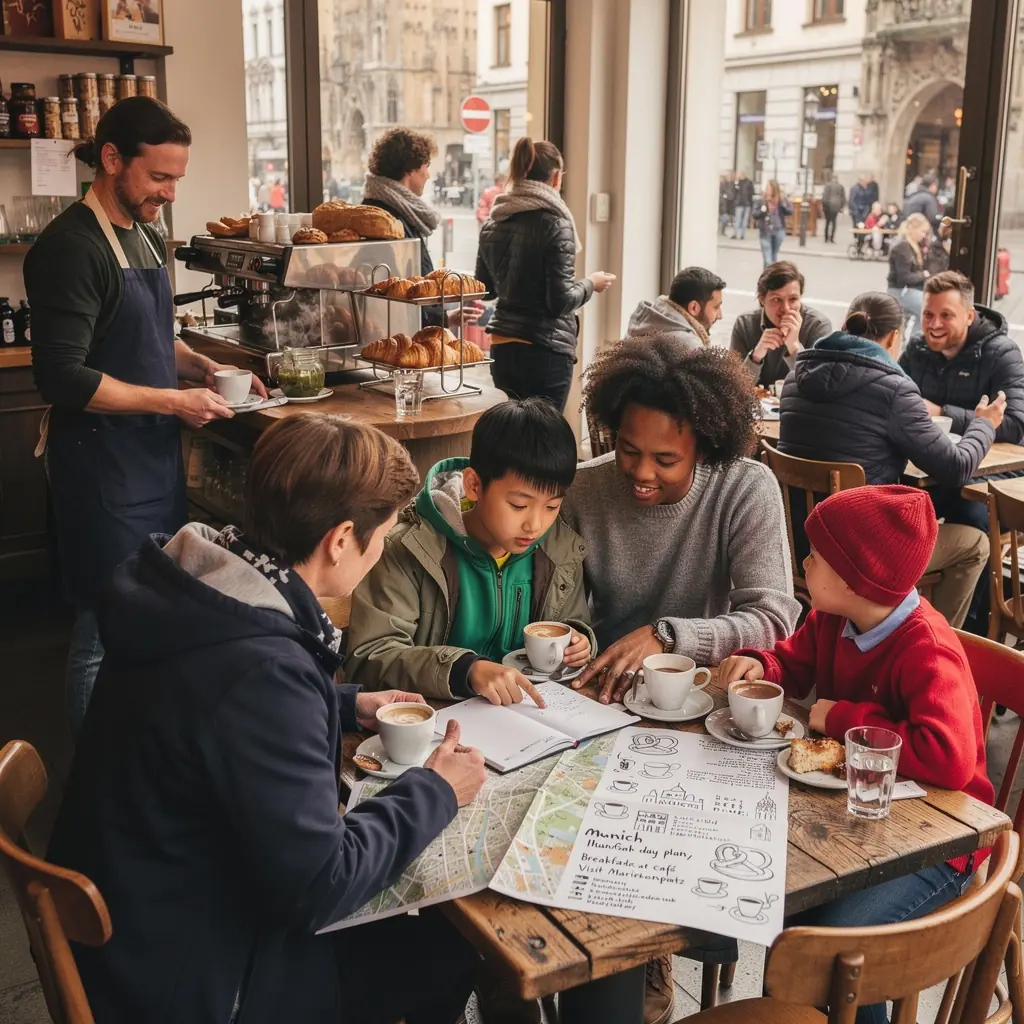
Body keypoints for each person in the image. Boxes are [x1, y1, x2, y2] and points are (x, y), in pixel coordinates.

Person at [46, 414, 488, 1024]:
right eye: (383, 534)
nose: (382, 549)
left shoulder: (194, 587)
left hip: (135, 923)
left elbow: (208, 707)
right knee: (446, 953)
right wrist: (436, 790)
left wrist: (344, 702)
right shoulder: (264, 672)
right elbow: (321, 886)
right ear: (340, 539)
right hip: (196, 979)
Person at [564, 339, 799, 1024]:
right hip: (602, 703)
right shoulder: (585, 488)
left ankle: (647, 963)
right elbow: (564, 609)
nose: (641, 473)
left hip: (704, 717)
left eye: (665, 459)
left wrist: (672, 635)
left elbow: (774, 616)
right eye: (628, 449)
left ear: (708, 443)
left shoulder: (744, 486)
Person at [25, 97, 265, 737]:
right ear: (111, 159)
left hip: (150, 461)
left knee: (149, 613)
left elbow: (158, 335)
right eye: (159, 177)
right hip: (101, 468)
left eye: (177, 178)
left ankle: (136, 754)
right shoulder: (72, 248)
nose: (170, 192)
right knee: (103, 626)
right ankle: (89, 774)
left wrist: (202, 368)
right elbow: (62, 376)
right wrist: (174, 401)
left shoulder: (147, 234)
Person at [720, 485, 993, 1024]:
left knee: (840, 947)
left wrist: (844, 719)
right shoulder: (833, 618)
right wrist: (762, 666)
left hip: (942, 842)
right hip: (861, 820)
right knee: (788, 912)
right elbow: (792, 664)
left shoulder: (927, 648)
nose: (804, 563)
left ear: (852, 579)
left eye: (814, 556)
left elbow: (949, 758)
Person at [779, 291, 1003, 627]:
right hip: (862, 557)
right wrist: (984, 424)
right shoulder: (894, 389)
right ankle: (924, 641)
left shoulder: (796, 376)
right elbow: (956, 468)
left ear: (845, 325)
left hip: (799, 544)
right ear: (894, 337)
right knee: (974, 545)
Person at [347, 398, 594, 701]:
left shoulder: (559, 550)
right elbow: (370, 658)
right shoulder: (410, 548)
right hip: (434, 714)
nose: (535, 525)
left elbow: (572, 621)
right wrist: (464, 670)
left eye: (552, 506)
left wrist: (578, 641)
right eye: (519, 505)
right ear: (474, 485)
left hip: (528, 712)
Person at [476, 137, 615, 412]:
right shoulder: (556, 224)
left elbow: (485, 289)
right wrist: (591, 283)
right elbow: (560, 302)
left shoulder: (495, 221)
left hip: (502, 347)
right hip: (544, 351)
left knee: (511, 430)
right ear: (555, 177)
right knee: (544, 433)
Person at [900, 270, 1024, 533]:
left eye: (946, 315)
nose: (934, 324)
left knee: (966, 512)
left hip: (991, 471)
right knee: (895, 501)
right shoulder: (917, 348)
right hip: (936, 467)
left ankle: (966, 558)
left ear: (969, 316)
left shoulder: (1002, 353)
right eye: (928, 314)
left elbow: (1015, 425)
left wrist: (942, 413)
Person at [730, 260, 832, 388]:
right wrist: (755, 357)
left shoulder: (818, 326)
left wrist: (794, 347)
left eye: (793, 299)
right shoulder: (745, 325)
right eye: (777, 300)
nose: (786, 308)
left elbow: (818, 387)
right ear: (762, 299)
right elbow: (733, 388)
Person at [624, 266, 725, 349]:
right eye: (716, 307)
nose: (720, 316)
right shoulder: (688, 346)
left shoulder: (646, 321)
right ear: (694, 308)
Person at [887, 212, 931, 322]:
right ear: (912, 229)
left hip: (909, 289)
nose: (924, 235)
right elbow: (904, 278)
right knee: (926, 308)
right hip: (899, 291)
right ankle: (919, 333)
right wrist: (924, 275)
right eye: (922, 231)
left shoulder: (915, 246)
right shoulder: (901, 248)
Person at [752, 180, 792, 266]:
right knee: (767, 259)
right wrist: (764, 211)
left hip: (779, 229)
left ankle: (771, 273)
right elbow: (755, 214)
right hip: (765, 230)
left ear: (775, 190)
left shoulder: (781, 200)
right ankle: (768, 272)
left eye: (769, 189)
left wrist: (784, 206)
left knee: (774, 255)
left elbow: (790, 211)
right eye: (767, 188)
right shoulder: (761, 200)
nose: (767, 191)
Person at [822, 172, 845, 244]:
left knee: (827, 222)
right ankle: (832, 238)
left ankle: (826, 238)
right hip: (836, 206)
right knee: (834, 222)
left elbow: (825, 197)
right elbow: (843, 198)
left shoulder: (828, 186)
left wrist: (824, 206)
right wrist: (841, 207)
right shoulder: (840, 187)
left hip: (828, 206)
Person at [733, 170, 755, 240]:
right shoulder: (738, 182)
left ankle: (740, 234)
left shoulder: (747, 182)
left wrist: (751, 203)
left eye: (738, 174)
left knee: (742, 219)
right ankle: (737, 234)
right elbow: (734, 192)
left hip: (744, 203)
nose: (736, 176)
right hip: (742, 203)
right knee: (739, 219)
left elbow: (751, 193)